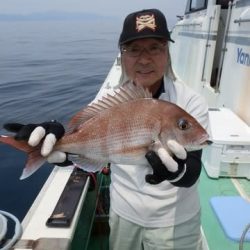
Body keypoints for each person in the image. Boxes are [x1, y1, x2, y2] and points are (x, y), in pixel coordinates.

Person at [4, 9, 209, 250]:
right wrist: (57, 143)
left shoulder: (190, 102)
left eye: (154, 47)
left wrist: (177, 171)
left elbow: (193, 170)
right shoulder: (107, 103)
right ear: (122, 55)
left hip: (175, 222)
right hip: (123, 215)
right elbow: (83, 150)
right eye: (134, 49)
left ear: (167, 52)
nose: (144, 59)